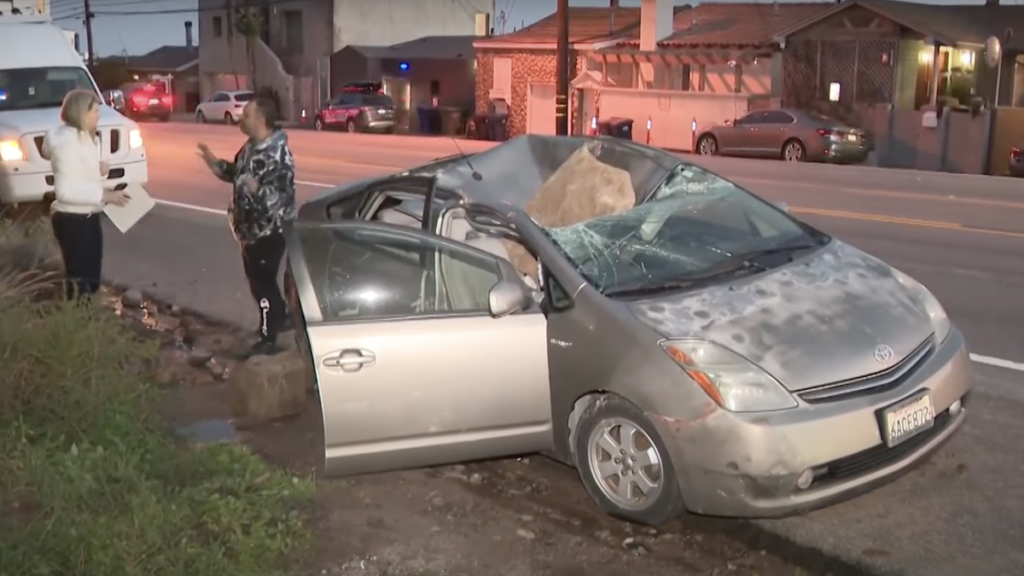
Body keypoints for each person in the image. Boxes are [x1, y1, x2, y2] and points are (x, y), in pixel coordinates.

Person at [197, 96, 297, 356]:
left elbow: (283, 196)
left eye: (248, 115)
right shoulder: (252, 147)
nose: (242, 120)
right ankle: (279, 318)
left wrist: (258, 190)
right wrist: (214, 163)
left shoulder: (278, 154)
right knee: (260, 282)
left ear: (262, 120)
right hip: (250, 230)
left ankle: (268, 337)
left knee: (262, 284)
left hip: (269, 230)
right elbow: (237, 174)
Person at [42, 89, 131, 300]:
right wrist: (104, 195)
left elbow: (78, 174)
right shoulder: (67, 143)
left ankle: (83, 320)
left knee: (89, 281)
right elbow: (65, 191)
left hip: (86, 216)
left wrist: (97, 168)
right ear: (81, 113)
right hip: (75, 220)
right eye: (95, 111)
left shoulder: (85, 138)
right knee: (82, 283)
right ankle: (78, 322)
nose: (99, 115)